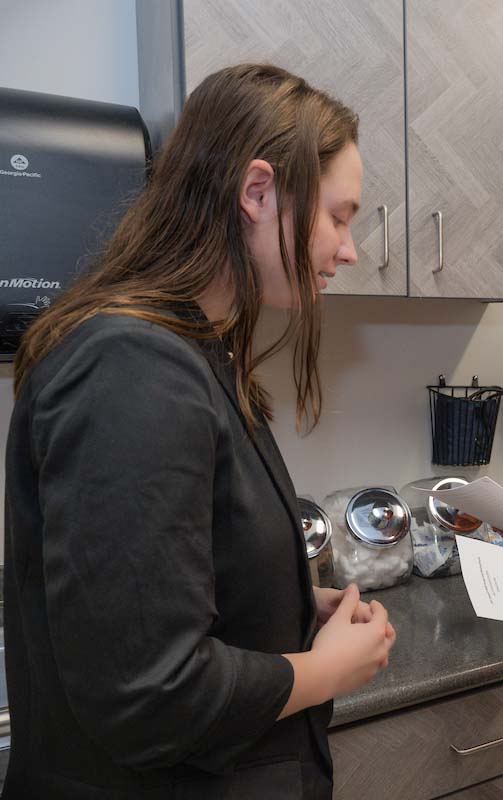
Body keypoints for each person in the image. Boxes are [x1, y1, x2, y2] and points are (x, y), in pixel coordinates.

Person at [3, 64, 396, 798]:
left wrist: (284, 600)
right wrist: (325, 670)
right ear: (256, 192)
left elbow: (171, 579)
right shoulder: (129, 367)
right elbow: (152, 693)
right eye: (339, 217)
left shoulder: (191, 350)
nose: (349, 249)